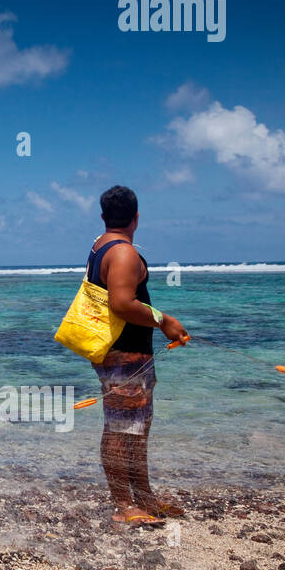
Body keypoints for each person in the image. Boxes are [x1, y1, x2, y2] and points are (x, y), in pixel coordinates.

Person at [87, 185, 189, 527]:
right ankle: (122, 506)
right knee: (121, 429)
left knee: (136, 427)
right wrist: (165, 321)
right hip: (124, 354)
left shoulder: (100, 247)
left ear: (103, 217)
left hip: (124, 354)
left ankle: (144, 498)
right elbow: (121, 303)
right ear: (137, 216)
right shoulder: (124, 254)